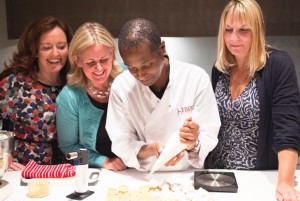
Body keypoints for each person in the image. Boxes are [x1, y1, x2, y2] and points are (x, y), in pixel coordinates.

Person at [205, 0, 300, 201]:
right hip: (217, 176)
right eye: (228, 30)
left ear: (257, 30)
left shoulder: (278, 64)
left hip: (257, 178)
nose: (234, 38)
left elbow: (288, 127)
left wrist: (284, 182)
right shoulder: (220, 69)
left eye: (243, 30)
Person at [106, 18, 220, 172]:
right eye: (132, 68)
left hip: (186, 175)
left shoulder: (195, 78)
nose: (140, 75)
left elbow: (208, 133)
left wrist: (193, 143)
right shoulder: (122, 87)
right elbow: (121, 142)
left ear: (162, 48)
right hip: (142, 177)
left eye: (147, 65)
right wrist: (152, 149)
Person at [0, 16, 73, 170]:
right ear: (34, 51)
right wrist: (3, 158)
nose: (55, 54)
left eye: (61, 46)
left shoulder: (75, 83)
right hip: (24, 174)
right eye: (46, 47)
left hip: (68, 172)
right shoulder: (13, 85)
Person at [56, 22, 126, 171]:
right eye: (90, 62)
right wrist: (103, 161)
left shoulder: (129, 77)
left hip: (136, 166)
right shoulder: (69, 96)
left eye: (104, 60)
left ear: (112, 53)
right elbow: (68, 147)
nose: (99, 68)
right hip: (93, 172)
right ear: (78, 60)